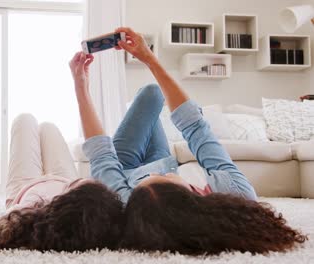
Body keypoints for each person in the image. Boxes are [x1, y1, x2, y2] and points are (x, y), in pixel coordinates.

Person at [69, 27, 307, 255]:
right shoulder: (234, 193)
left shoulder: (126, 204)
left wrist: (80, 84)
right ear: (192, 196)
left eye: (145, 181)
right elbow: (195, 125)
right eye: (163, 176)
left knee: (151, 94)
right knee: (154, 92)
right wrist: (149, 58)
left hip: (126, 166)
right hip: (167, 172)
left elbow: (101, 154)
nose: (154, 173)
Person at [0, 114, 123, 252]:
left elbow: (4, 227)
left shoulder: (31, 214)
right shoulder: (88, 206)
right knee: (48, 127)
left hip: (25, 185)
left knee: (24, 120)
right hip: (63, 177)